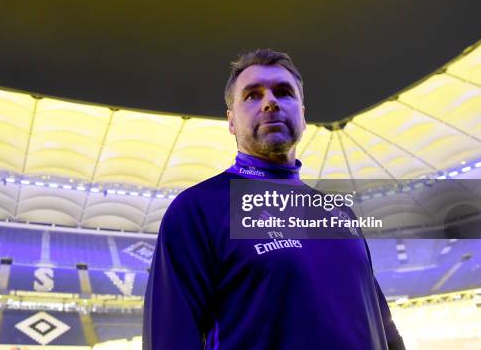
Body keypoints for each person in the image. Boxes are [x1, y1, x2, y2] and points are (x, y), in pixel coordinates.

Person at [143, 49, 406, 349]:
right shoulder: (198, 210)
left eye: (284, 93)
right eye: (252, 96)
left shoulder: (341, 213)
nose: (270, 102)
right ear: (231, 121)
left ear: (303, 115)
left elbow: (384, 327)